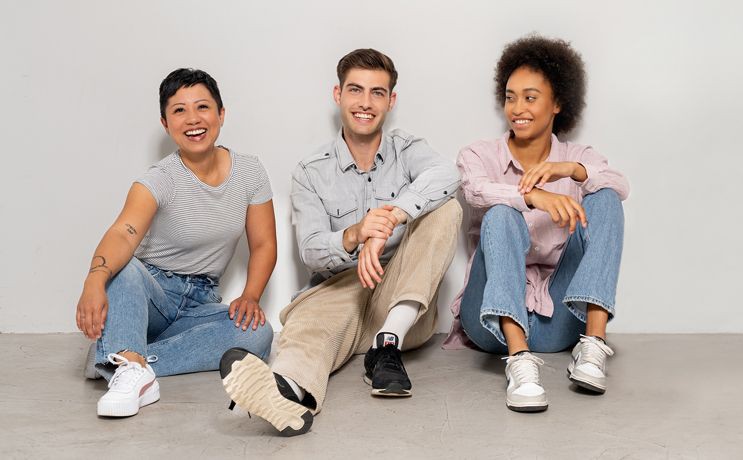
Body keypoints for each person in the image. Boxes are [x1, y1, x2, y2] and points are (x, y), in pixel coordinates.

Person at [219, 48, 462, 436]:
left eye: (377, 93)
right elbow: (312, 250)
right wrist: (355, 234)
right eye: (356, 90)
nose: (365, 103)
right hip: (341, 293)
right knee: (308, 328)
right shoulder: (310, 172)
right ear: (338, 95)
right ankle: (287, 393)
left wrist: (390, 217)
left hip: (401, 302)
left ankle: (387, 343)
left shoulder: (407, 149)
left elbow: (448, 174)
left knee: (446, 209)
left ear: (391, 100)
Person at [75, 68, 275, 417]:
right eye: (179, 110)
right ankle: (128, 361)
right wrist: (94, 278)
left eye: (202, 107)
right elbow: (124, 232)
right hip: (152, 293)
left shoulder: (250, 172)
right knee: (126, 269)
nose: (193, 119)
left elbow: (263, 244)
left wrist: (251, 294)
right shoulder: (160, 178)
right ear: (166, 124)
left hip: (201, 302)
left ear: (221, 114)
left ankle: (124, 362)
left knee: (258, 335)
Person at [445, 35, 629, 412]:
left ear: (557, 103)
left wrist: (572, 171)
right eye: (510, 97)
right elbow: (476, 191)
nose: (517, 108)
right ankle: (519, 363)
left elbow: (620, 185)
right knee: (500, 211)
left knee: (606, 194)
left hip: (558, 323)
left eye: (530, 97)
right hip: (489, 321)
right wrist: (531, 195)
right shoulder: (478, 154)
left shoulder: (577, 156)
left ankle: (592, 346)